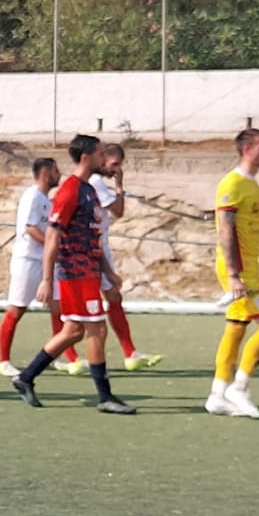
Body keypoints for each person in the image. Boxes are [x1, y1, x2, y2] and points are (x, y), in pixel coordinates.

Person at [7, 135, 136, 414]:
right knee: (97, 329)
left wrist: (108, 272)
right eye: (101, 153)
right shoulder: (70, 190)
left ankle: (26, 377)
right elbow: (53, 236)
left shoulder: (88, 190)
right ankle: (105, 397)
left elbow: (90, 237)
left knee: (73, 331)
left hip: (88, 270)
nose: (105, 158)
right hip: (75, 273)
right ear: (87, 157)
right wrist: (47, 278)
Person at [205, 128, 259, 419]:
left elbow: (258, 229)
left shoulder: (254, 187)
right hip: (236, 270)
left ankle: (217, 394)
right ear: (246, 149)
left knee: (236, 330)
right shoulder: (232, 183)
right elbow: (225, 229)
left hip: (250, 268)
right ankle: (239, 387)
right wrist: (235, 275)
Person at [92, 144, 161, 371]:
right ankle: (72, 357)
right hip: (90, 249)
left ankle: (130, 353)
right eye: (114, 164)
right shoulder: (96, 183)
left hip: (101, 246)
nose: (117, 169)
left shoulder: (99, 183)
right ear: (103, 161)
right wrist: (120, 187)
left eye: (120, 165)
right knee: (81, 309)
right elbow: (119, 211)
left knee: (113, 296)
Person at [0, 157, 58, 378]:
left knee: (57, 306)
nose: (59, 174)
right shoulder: (32, 196)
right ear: (45, 173)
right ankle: (3, 361)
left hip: (45, 262)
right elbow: (30, 228)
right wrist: (51, 246)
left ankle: (60, 354)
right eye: (55, 170)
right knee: (17, 309)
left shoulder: (47, 200)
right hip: (28, 260)